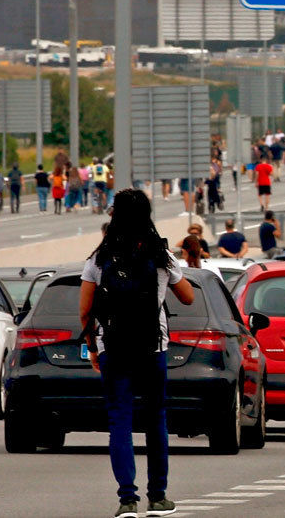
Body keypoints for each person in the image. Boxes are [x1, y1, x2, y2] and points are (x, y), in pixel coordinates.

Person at [78, 189, 195, 518]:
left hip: (113, 347)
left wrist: (92, 348)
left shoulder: (99, 259)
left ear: (114, 216)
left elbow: (85, 310)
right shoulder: (161, 255)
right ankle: (157, 497)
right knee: (156, 419)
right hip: (152, 347)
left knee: (120, 421)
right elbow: (188, 298)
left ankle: (127, 500)